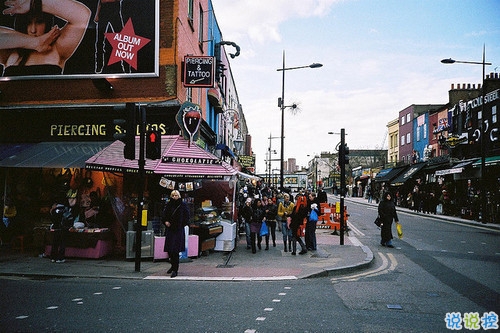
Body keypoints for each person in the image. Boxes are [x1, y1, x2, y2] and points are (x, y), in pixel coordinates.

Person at [0, 0, 91, 76]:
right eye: (27, 22)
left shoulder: (57, 48)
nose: (33, 30)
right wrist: (35, 42)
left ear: (47, 23)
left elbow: (82, 14)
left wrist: (34, 3)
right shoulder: (11, 50)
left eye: (39, 22)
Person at [162, 190, 190, 278]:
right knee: (170, 250)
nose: (174, 197)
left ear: (179, 196)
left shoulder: (182, 205)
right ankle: (172, 265)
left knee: (175, 250)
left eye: (176, 195)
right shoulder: (169, 205)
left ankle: (175, 269)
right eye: (173, 195)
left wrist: (181, 224)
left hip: (178, 230)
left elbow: (187, 216)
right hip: (170, 229)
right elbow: (164, 215)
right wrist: (165, 222)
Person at [49, 189, 79, 263]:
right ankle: (60, 258)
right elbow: (69, 218)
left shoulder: (55, 208)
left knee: (55, 242)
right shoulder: (65, 209)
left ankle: (53, 257)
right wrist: (69, 226)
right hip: (63, 228)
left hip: (56, 227)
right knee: (62, 243)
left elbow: (52, 217)